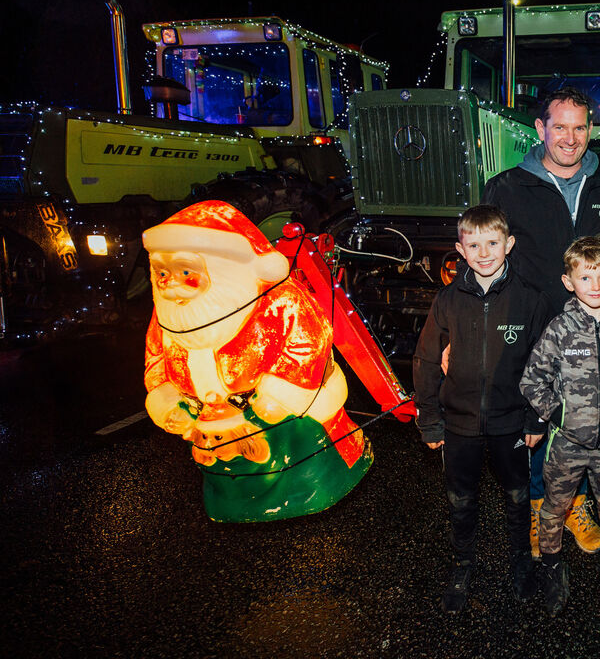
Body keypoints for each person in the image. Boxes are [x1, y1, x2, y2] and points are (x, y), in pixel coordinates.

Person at [142, 200, 371, 523]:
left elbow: (308, 347)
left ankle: (302, 493)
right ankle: (231, 500)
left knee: (295, 456)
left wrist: (276, 397)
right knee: (220, 467)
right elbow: (156, 360)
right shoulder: (168, 316)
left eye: (185, 271)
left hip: (278, 412)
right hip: (208, 422)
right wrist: (167, 399)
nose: (169, 284)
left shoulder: (281, 302)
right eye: (161, 272)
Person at [484, 86, 600, 556]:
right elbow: (484, 261)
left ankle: (575, 504)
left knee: (579, 423)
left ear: (590, 131)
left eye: (580, 127)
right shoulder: (506, 188)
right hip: (529, 330)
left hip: (589, 334)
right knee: (534, 423)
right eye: (559, 126)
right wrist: (457, 332)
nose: (570, 137)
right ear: (540, 129)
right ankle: (542, 508)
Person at [412, 205, 551, 613]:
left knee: (516, 495)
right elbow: (424, 359)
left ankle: (521, 564)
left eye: (493, 243)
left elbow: (544, 363)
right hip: (459, 426)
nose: (484, 252)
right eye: (474, 244)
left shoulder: (530, 300)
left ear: (509, 244)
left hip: (511, 423)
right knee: (461, 499)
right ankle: (462, 563)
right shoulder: (447, 301)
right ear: (460, 250)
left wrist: (537, 415)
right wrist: (429, 418)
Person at [520, 235, 600, 615]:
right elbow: (531, 379)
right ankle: (553, 568)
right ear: (568, 282)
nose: (596, 286)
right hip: (567, 443)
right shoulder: (559, 329)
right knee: (555, 506)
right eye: (586, 278)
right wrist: (556, 414)